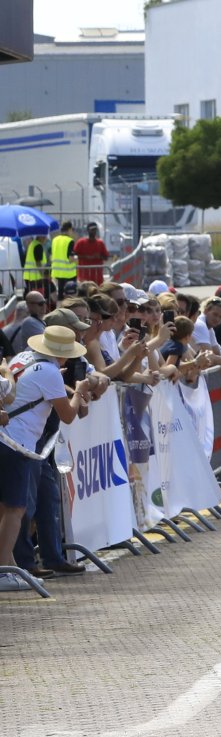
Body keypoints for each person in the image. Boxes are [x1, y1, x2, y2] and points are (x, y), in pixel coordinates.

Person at [0, 326, 90, 588]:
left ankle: (10, 566)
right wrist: (79, 391)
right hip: (17, 444)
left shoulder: (23, 358)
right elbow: (68, 415)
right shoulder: (50, 371)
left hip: (7, 438)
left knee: (6, 508)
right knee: (16, 509)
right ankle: (4, 571)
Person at [2, 292, 48, 359]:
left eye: (45, 302)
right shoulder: (29, 322)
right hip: (24, 361)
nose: (44, 306)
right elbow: (46, 343)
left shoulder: (5, 329)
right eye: (40, 304)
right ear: (29, 306)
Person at [48, 222, 77, 299]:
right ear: (69, 229)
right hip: (69, 273)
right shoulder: (70, 241)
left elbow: (51, 256)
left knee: (60, 295)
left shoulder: (55, 240)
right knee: (70, 296)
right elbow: (71, 259)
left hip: (57, 272)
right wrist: (77, 260)